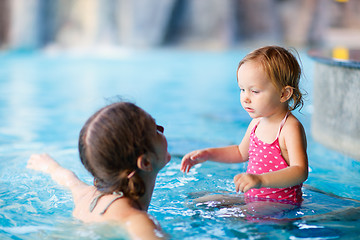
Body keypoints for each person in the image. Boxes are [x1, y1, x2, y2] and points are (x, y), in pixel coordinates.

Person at [181, 46, 308, 210]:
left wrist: (261, 180)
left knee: (232, 217)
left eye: (254, 91)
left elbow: (300, 171)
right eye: (242, 89)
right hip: (252, 197)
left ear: (284, 94)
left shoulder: (289, 128)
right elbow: (240, 152)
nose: (245, 98)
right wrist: (207, 154)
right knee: (201, 203)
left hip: (281, 203)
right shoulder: (257, 122)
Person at [27, 101, 171, 240]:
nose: (162, 131)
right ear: (145, 162)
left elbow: (68, 179)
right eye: (157, 130)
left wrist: (50, 166)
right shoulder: (137, 221)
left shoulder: (87, 196)